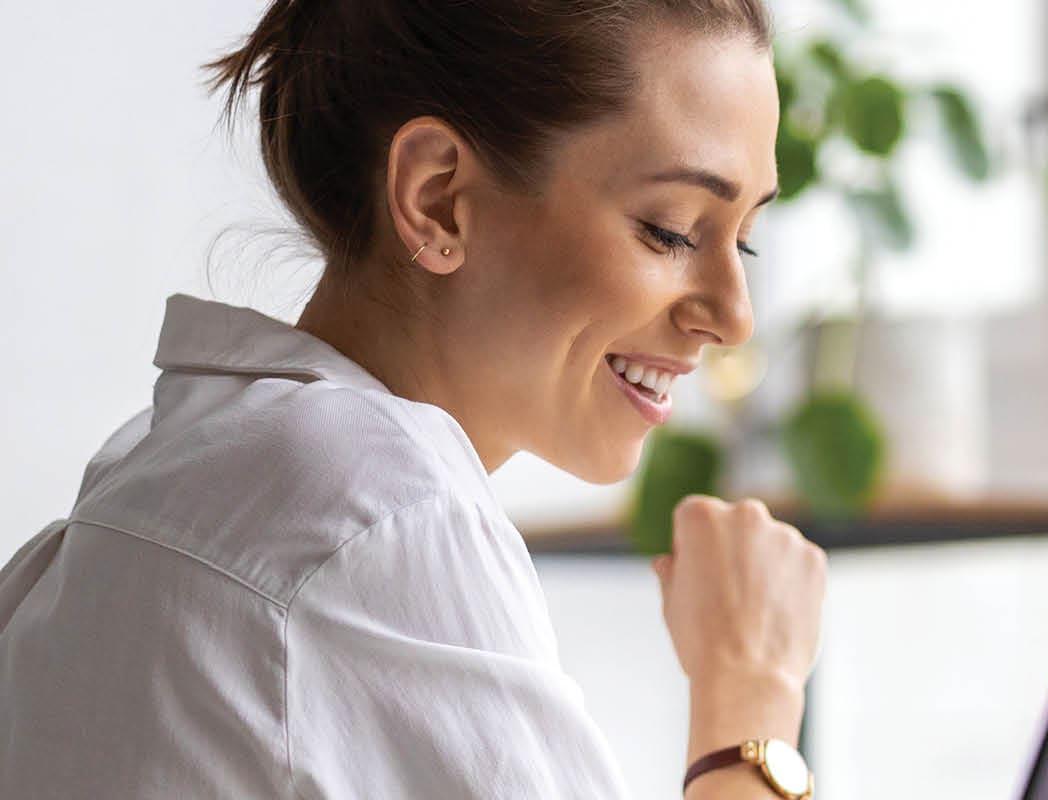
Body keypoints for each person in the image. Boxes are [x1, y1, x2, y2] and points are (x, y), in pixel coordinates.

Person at [0, 0, 828, 796]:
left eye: (744, 239)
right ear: (437, 197)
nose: (733, 315)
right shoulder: (373, 516)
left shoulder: (168, 472)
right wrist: (749, 698)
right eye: (673, 229)